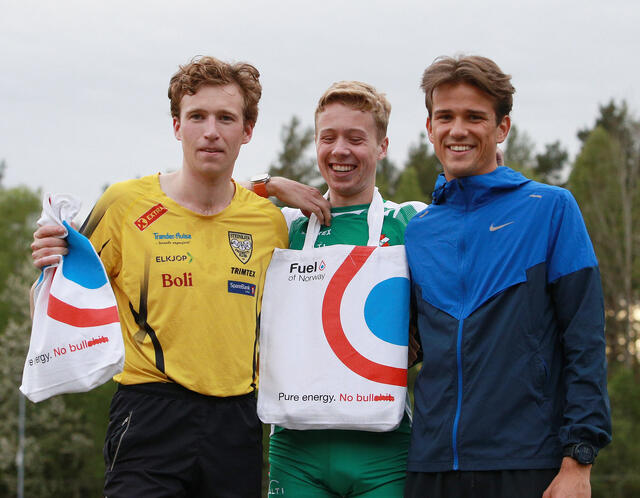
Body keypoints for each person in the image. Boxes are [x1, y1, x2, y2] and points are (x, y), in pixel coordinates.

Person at [30, 56, 329, 498]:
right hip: (149, 413)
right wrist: (47, 268)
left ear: (246, 131)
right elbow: (50, 306)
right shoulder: (125, 205)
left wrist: (267, 183)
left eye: (226, 118)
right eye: (197, 117)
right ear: (176, 125)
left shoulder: (269, 223)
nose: (211, 130)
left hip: (238, 421)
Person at [403, 55, 612, 498]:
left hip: (529, 463)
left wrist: (580, 459)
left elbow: (585, 339)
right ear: (429, 128)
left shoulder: (551, 209)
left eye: (474, 117)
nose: (457, 130)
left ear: (502, 128)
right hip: (432, 465)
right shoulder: (419, 231)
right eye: (445, 117)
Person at [266, 81, 427, 497]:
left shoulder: (411, 220)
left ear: (382, 146)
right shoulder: (285, 225)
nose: (340, 150)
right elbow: (211, 195)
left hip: (384, 447)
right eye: (328, 137)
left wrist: (419, 343)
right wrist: (267, 184)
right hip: (296, 447)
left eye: (356, 138)